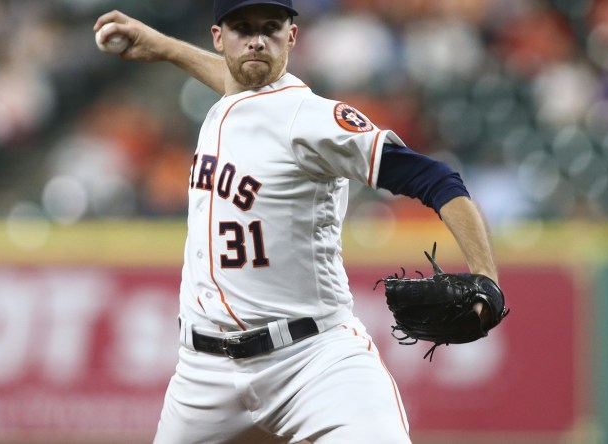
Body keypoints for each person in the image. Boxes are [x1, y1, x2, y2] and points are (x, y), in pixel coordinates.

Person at [94, 1, 499, 443]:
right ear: (218, 37)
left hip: (314, 360)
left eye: (270, 28)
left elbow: (434, 177)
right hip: (204, 372)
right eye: (241, 29)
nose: (255, 40)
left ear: (291, 36)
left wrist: (487, 277)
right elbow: (237, 80)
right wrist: (165, 47)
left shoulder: (313, 118)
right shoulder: (232, 100)